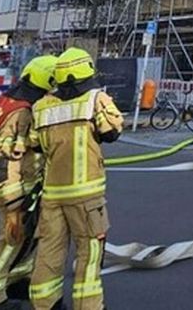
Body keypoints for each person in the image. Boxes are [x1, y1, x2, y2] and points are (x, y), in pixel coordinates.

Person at [28, 47, 124, 310]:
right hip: (86, 195)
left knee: (49, 251)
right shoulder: (95, 99)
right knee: (89, 253)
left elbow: (35, 145)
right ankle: (88, 305)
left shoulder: (42, 106)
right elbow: (112, 132)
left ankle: (45, 303)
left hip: (53, 194)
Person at [0, 54, 57, 310]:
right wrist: (14, 204)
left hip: (22, 188)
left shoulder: (10, 101)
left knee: (28, 240)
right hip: (16, 190)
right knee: (12, 240)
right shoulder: (21, 112)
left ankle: (16, 281)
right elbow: (5, 160)